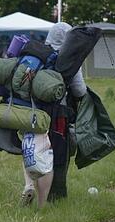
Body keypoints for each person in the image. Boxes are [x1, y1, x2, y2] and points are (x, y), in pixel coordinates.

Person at [20, 22, 88, 206]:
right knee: (53, 155)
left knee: (31, 150)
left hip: (30, 111)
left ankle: (29, 185)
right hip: (58, 116)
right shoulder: (68, 59)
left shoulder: (34, 55)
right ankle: (47, 203)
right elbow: (80, 91)